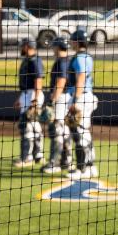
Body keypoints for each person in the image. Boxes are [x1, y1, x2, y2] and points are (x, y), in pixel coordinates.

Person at [65, 30, 99, 180]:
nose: (71, 43)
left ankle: (81, 169)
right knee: (85, 132)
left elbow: (81, 78)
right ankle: (91, 166)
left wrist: (75, 101)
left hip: (81, 97)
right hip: (87, 96)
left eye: (73, 41)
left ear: (77, 42)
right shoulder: (87, 56)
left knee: (77, 132)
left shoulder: (79, 58)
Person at [41, 37, 73, 174]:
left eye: (54, 46)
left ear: (59, 47)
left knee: (57, 130)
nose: (52, 49)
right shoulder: (67, 61)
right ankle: (67, 161)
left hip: (61, 98)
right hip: (67, 97)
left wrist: (52, 100)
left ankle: (54, 163)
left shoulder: (61, 62)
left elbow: (60, 82)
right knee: (65, 130)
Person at [14, 38, 45, 168]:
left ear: (27, 46)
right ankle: (38, 155)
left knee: (25, 125)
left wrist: (35, 99)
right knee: (34, 126)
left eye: (22, 46)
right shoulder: (29, 60)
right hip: (27, 94)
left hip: (32, 94)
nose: (21, 48)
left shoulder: (35, 60)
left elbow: (38, 79)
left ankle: (26, 158)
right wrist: (20, 98)